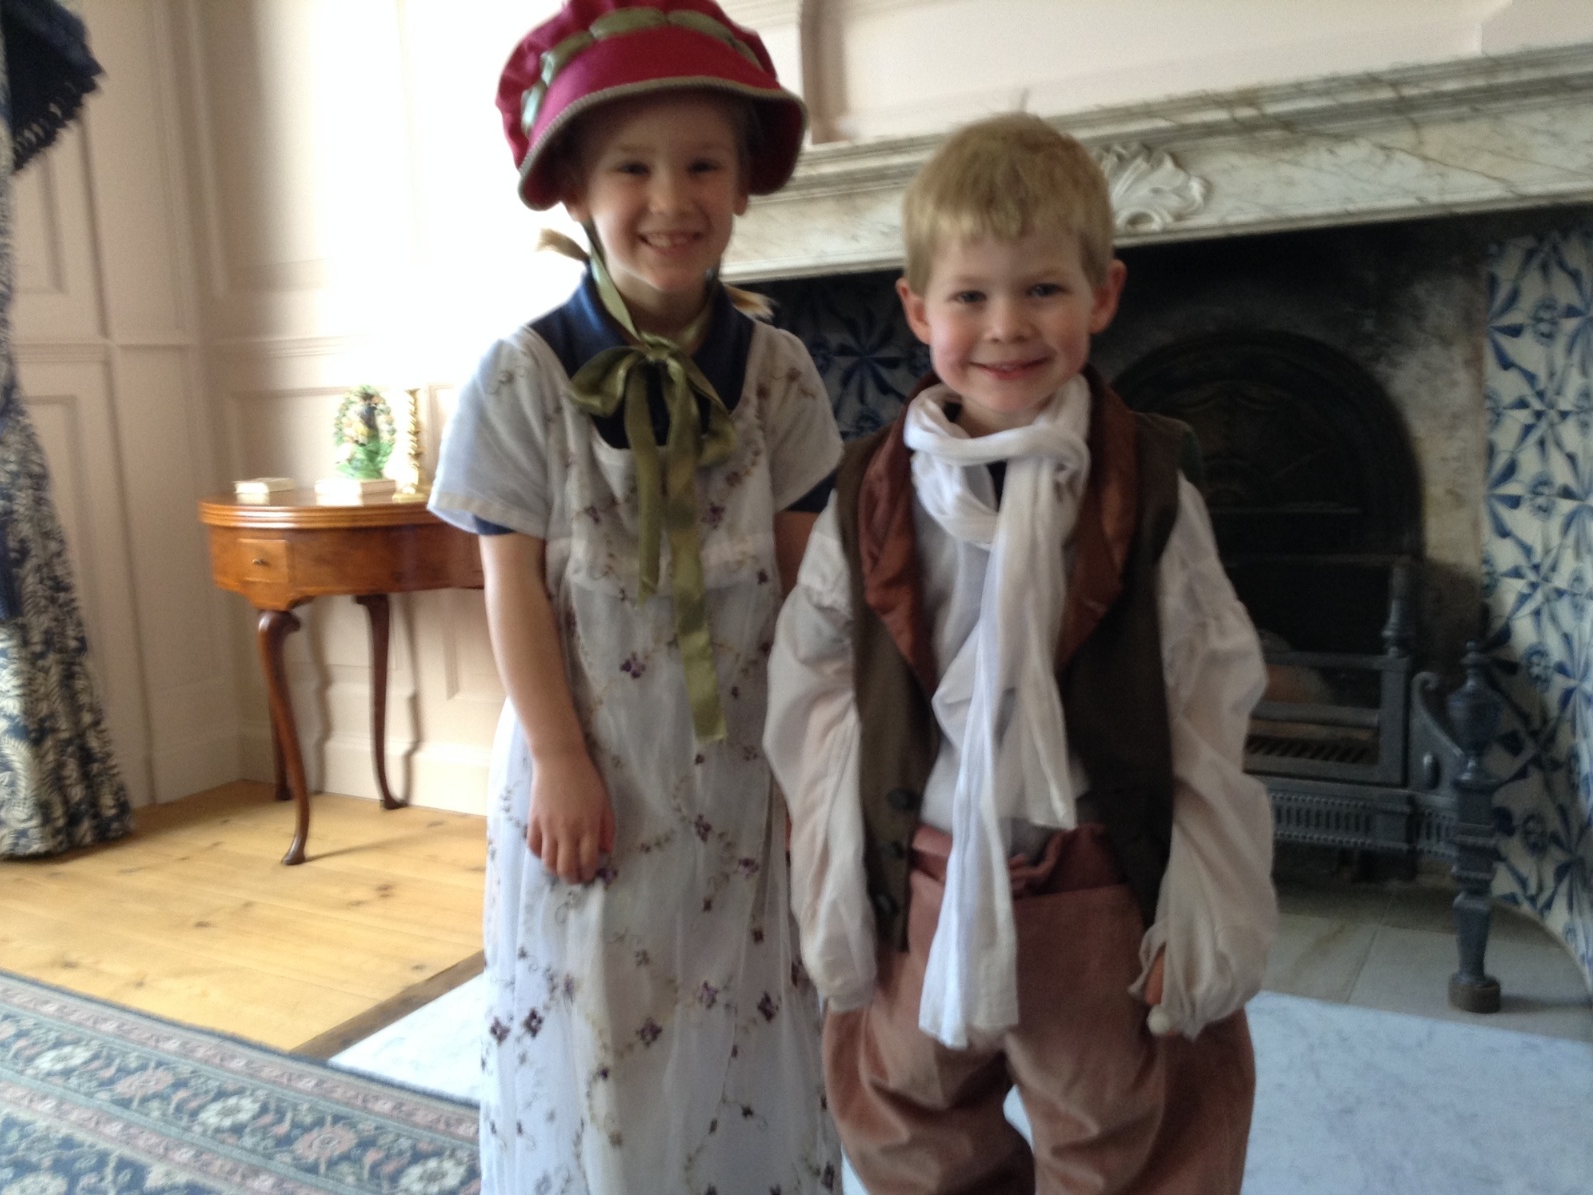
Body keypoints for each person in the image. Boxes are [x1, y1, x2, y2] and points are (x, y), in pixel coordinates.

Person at [764, 112, 1278, 1194]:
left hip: (1100, 893)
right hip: (921, 881)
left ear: (1103, 294)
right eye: (970, 296)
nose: (1006, 327)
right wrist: (838, 879)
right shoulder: (871, 488)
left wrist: (1201, 896)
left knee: (1128, 1141)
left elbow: (1205, 692)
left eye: (1042, 288)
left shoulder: (1148, 483)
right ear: (917, 309)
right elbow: (814, 688)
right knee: (912, 1135)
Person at [427, 2, 843, 1191]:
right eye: (632, 168)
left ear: (744, 183)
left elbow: (810, 589)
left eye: (703, 164)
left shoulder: (779, 374)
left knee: (747, 1001)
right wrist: (560, 757)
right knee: (607, 1015)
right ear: (571, 186)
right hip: (595, 769)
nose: (673, 198)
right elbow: (510, 583)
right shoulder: (521, 378)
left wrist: (817, 762)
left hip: (749, 768)